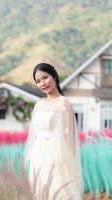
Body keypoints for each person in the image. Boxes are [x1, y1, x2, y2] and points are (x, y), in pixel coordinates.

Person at [23, 63, 83, 199]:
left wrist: (68, 161)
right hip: (38, 155)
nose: (42, 83)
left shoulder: (64, 103)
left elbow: (71, 136)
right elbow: (34, 134)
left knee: (59, 191)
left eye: (45, 77)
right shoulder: (38, 105)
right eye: (38, 81)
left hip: (58, 155)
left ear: (54, 77)